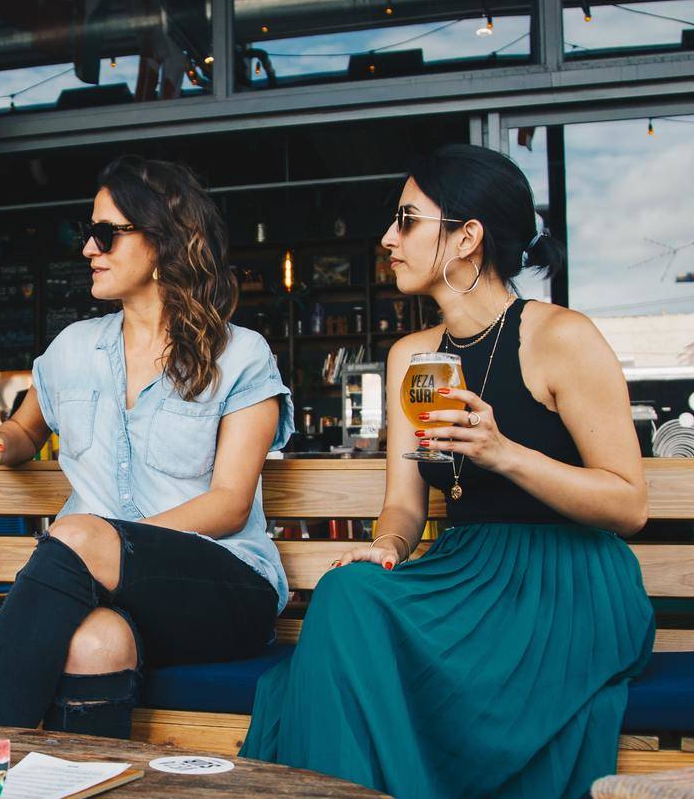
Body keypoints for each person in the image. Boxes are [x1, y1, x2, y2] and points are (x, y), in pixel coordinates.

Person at [241, 144, 654, 797]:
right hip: (461, 568)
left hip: (567, 580)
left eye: (407, 221)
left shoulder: (560, 336)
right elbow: (405, 505)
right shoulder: (412, 355)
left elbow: (629, 505)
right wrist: (385, 545)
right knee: (348, 598)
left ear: (467, 238)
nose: (387, 239)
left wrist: (504, 453)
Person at [0, 156, 294, 739]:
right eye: (89, 233)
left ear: (164, 241)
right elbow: (27, 432)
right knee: (93, 643)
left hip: (221, 584)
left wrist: (113, 547)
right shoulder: (73, 349)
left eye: (106, 233)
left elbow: (231, 503)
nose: (88, 248)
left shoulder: (240, 354)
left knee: (82, 531)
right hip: (106, 591)